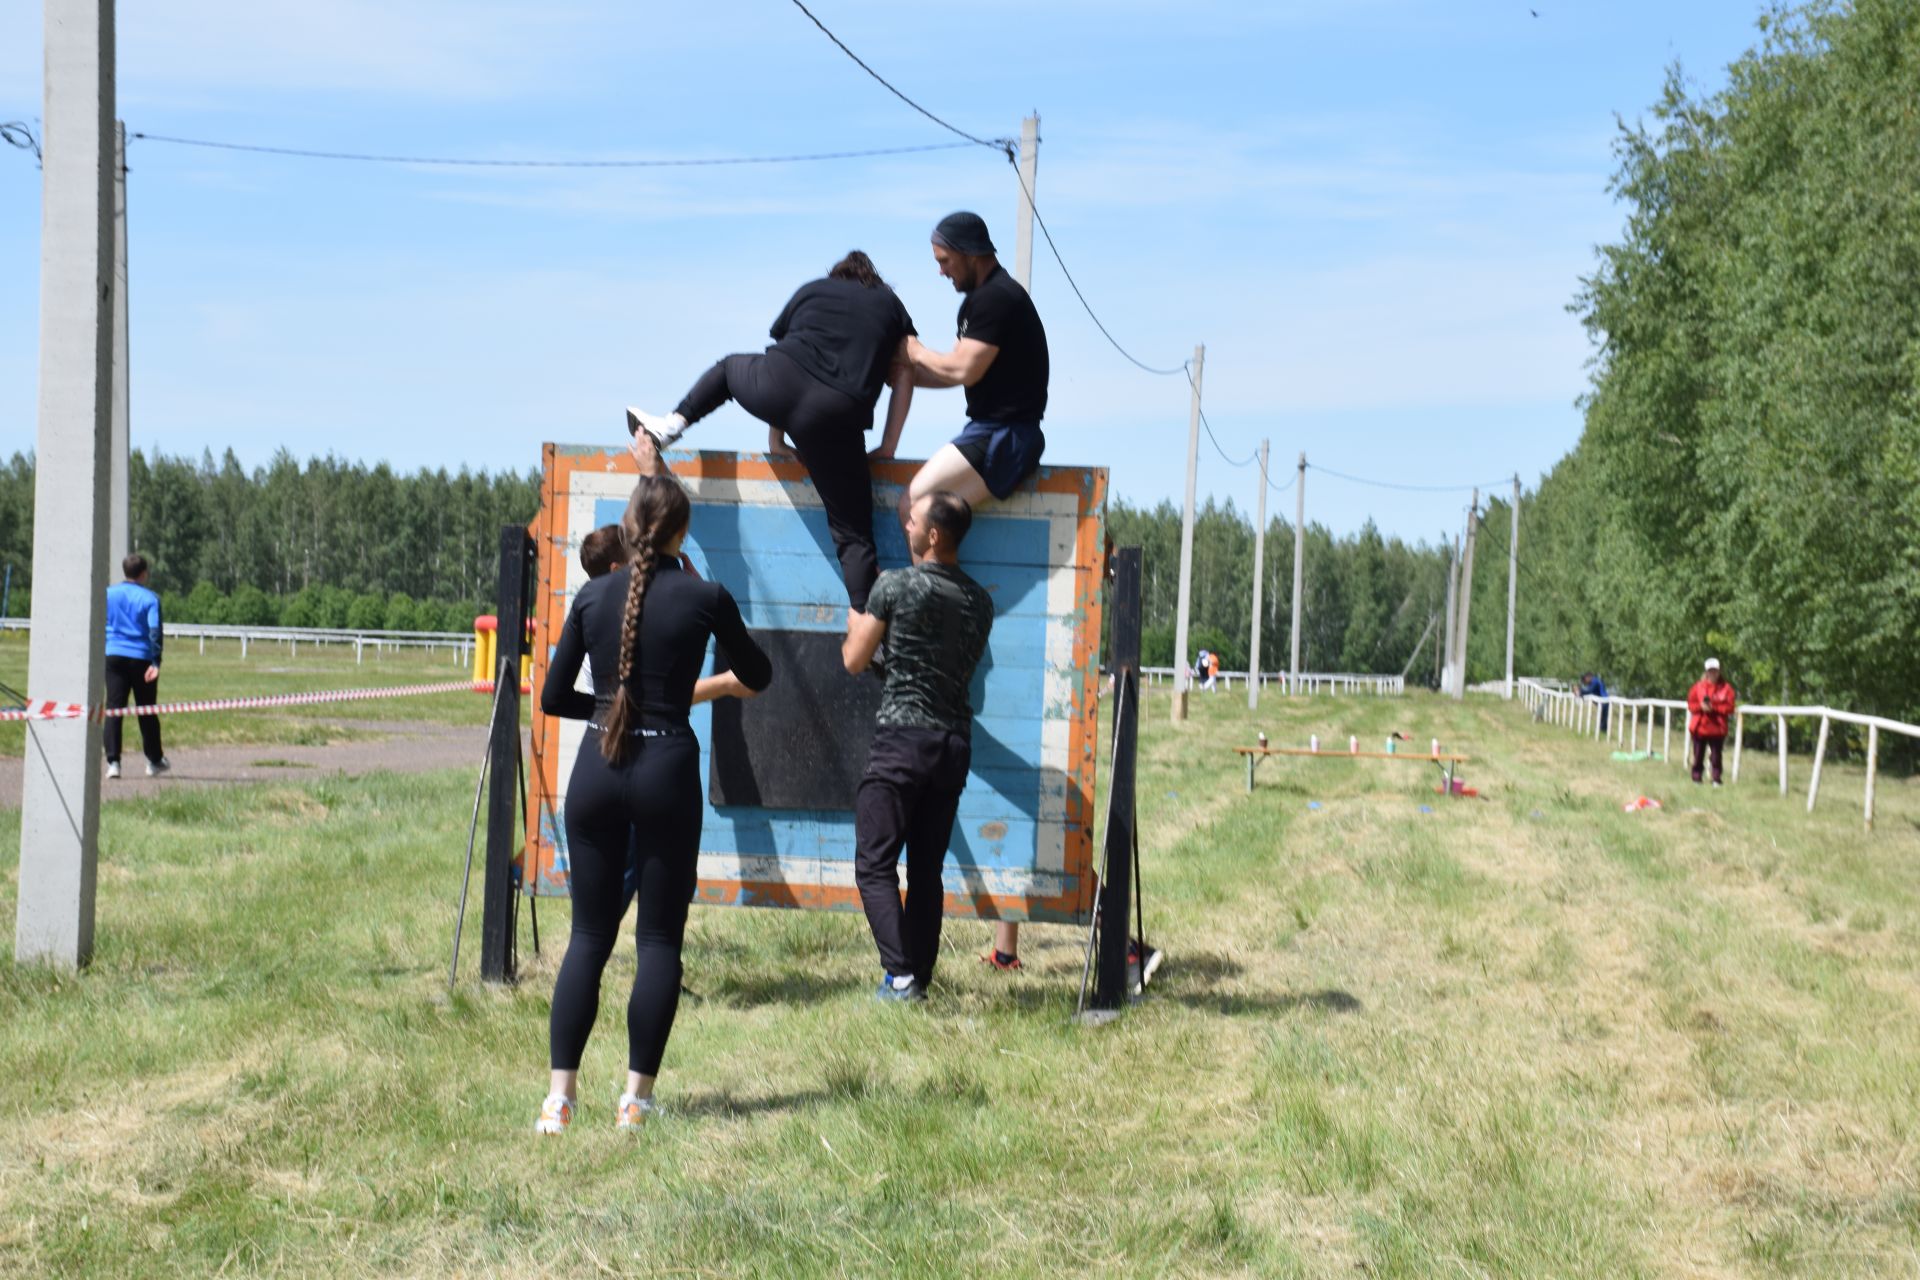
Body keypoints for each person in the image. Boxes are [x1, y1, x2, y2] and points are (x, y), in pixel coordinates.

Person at [534, 475, 772, 1134]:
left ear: (629, 528)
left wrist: (612, 707)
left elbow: (554, 698)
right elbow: (759, 674)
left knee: (587, 938)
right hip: (667, 764)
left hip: (597, 769)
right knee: (659, 940)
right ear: (680, 532)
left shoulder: (592, 594)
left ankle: (559, 1100)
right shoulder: (706, 596)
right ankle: (635, 1101)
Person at [625, 251, 917, 613]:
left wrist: (776, 440)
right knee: (853, 535)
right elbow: (905, 371)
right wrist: (888, 445)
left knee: (729, 370)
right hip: (837, 413)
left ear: (837, 275)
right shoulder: (890, 304)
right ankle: (867, 626)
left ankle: (670, 427)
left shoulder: (812, 290)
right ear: (873, 278)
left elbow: (787, 352)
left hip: (777, 385)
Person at [842, 491, 994, 1001]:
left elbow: (854, 662)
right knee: (927, 870)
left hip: (902, 742)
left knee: (874, 862)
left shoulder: (895, 586)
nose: (905, 524)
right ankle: (918, 978)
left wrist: (855, 629)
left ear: (932, 535)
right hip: (953, 745)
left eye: (913, 519)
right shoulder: (979, 600)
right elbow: (934, 667)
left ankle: (901, 977)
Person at [897, 211, 1050, 532]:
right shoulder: (985, 299)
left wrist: (915, 351)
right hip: (1003, 433)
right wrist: (905, 374)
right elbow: (957, 370)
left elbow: (963, 369)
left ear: (969, 253)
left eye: (945, 260)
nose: (941, 271)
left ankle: (929, 584)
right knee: (933, 522)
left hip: (1002, 433)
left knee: (913, 507)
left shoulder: (996, 298)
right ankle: (938, 583)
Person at [103, 553, 168, 780]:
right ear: (143, 574)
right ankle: (153, 760)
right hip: (141, 658)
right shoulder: (150, 599)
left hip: (113, 655)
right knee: (146, 709)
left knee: (114, 708)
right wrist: (156, 661)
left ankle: (113, 762)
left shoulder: (108, 594)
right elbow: (154, 631)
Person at [1686, 658, 1737, 786]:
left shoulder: (1726, 688)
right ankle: (1696, 778)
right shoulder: (1698, 687)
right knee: (1698, 755)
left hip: (1717, 728)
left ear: (1719, 672)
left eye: (1715, 670)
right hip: (1699, 727)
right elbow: (1691, 705)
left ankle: (1716, 779)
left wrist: (1714, 708)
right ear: (1706, 672)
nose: (1713, 673)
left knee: (1716, 756)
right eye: (1710, 671)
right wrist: (1701, 707)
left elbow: (1730, 707)